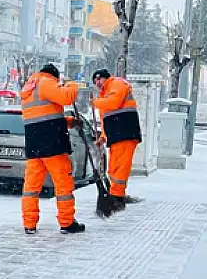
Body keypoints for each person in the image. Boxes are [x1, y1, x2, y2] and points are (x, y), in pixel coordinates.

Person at [20, 64, 86, 235]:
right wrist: (71, 84)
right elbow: (65, 97)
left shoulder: (30, 87)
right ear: (54, 76)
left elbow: (43, 116)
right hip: (52, 144)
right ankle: (67, 223)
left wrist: (68, 121)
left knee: (31, 186)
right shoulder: (45, 82)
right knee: (63, 183)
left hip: (35, 144)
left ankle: (29, 224)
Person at [91, 69, 143, 206]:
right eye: (95, 81)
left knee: (120, 165)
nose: (97, 83)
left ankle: (117, 196)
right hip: (116, 134)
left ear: (106, 78)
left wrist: (95, 103)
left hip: (125, 132)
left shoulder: (117, 84)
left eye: (98, 79)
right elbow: (106, 120)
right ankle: (116, 192)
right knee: (114, 166)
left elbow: (114, 102)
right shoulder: (105, 95)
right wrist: (103, 136)